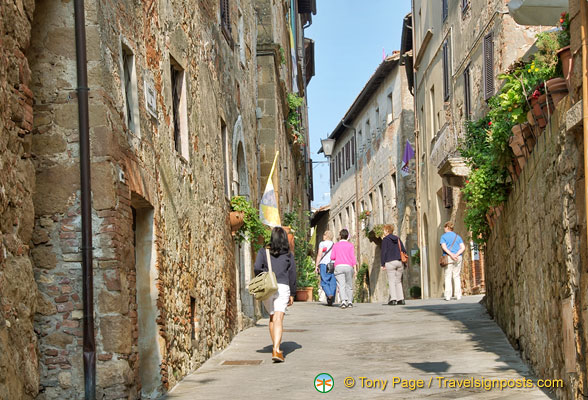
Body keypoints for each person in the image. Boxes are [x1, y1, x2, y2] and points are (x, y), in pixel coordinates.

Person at [253, 227, 296, 362]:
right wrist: (293, 293)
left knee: (272, 317)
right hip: (282, 287)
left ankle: (275, 347)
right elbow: (292, 274)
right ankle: (276, 350)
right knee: (278, 318)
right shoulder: (288, 255)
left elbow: (256, 267)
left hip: (268, 287)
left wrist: (264, 276)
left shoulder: (263, 251)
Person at [380, 224, 408, 305]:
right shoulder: (398, 239)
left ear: (387, 231)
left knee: (391, 281)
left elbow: (383, 252)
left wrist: (383, 264)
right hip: (399, 262)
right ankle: (401, 299)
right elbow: (403, 250)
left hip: (390, 262)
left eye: (384, 230)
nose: (383, 232)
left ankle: (393, 299)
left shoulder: (385, 240)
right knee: (398, 281)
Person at [330, 229, 357, 309]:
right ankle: (350, 301)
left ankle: (343, 301)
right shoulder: (350, 245)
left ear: (340, 235)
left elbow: (332, 257)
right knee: (349, 284)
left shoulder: (336, 245)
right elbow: (353, 257)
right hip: (348, 266)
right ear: (347, 236)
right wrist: (355, 269)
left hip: (339, 266)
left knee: (341, 285)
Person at [440, 221, 465, 301]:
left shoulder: (443, 237)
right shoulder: (457, 237)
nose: (444, 229)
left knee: (448, 276)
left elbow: (444, 247)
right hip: (458, 258)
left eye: (444, 227)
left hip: (449, 258)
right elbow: (463, 247)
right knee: (456, 276)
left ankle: (448, 295)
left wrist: (451, 255)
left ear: (447, 227)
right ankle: (458, 295)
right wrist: (456, 255)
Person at [315, 230, 337, 306]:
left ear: (326, 236)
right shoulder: (334, 245)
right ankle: (331, 300)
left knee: (324, 281)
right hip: (333, 264)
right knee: (332, 281)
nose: (323, 236)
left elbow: (319, 255)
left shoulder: (322, 244)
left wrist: (316, 265)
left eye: (324, 234)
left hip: (324, 264)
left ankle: (329, 294)